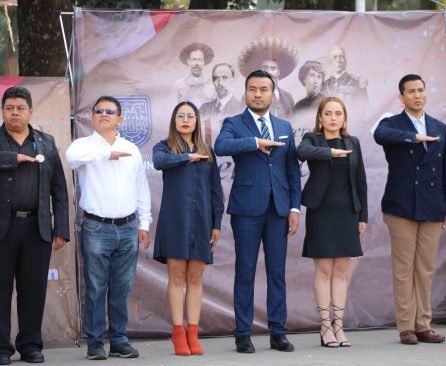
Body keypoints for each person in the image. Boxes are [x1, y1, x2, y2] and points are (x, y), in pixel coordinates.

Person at [214, 70, 301, 353]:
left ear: (273, 93)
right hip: (247, 209)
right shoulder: (234, 123)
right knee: (246, 270)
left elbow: (292, 171)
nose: (258, 94)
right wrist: (254, 142)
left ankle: (278, 332)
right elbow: (220, 146)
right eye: (253, 89)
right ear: (246, 92)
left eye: (264, 89)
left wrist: (294, 208)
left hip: (278, 209)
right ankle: (243, 333)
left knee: (277, 272)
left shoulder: (284, 126)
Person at [65, 96, 152, 360]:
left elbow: (141, 187)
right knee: (95, 288)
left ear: (120, 119)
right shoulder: (84, 146)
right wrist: (106, 153)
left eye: (110, 111)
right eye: (99, 110)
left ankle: (119, 340)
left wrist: (144, 223)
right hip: (96, 227)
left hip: (127, 227)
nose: (104, 114)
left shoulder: (132, 149)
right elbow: (71, 158)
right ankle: (94, 343)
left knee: (122, 288)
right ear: (92, 117)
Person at [373, 74, 446, 345]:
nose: (417, 95)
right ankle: (405, 326)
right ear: (402, 97)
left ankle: (424, 325)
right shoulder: (391, 124)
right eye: (411, 91)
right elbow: (379, 135)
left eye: (421, 90)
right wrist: (414, 137)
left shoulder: (440, 127)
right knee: (403, 268)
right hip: (401, 206)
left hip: (432, 206)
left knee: (426, 268)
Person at [0, 86, 69, 365]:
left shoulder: (46, 142)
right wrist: (11, 159)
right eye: (9, 108)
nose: (15, 113)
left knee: (33, 290)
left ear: (30, 111)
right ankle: (2, 350)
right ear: (3, 111)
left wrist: (61, 228)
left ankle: (30, 345)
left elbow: (59, 189)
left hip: (36, 227)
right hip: (2, 228)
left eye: (20, 108)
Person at [152, 101, 224, 356]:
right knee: (177, 277)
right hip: (175, 221)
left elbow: (216, 190)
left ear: (196, 121)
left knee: (195, 278)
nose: (185, 119)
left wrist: (217, 224)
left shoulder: (209, 151)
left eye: (190, 116)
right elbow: (159, 162)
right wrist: (187, 157)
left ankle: (193, 333)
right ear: (174, 120)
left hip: (203, 221)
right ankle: (178, 333)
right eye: (180, 115)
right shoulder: (164, 147)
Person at [297, 97, 367, 348]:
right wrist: (329, 152)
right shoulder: (312, 140)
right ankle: (325, 327)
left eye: (338, 113)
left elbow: (361, 181)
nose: (333, 117)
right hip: (322, 212)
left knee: (341, 271)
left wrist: (363, 215)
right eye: (328, 113)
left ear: (344, 117)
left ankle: (339, 326)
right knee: (324, 270)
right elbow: (300, 153)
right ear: (320, 117)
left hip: (347, 212)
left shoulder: (353, 142)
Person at [237, 37, 299, 121]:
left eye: (273, 68)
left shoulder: (288, 98)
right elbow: (244, 123)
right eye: (265, 68)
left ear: (278, 72)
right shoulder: (247, 97)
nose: (269, 72)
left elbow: (292, 123)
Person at [199, 63, 241, 145]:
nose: (220, 82)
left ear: (233, 80)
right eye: (216, 78)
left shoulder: (241, 108)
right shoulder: (204, 108)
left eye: (224, 78)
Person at [171, 43, 216, 108]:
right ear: (188, 61)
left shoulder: (211, 84)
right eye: (193, 59)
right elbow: (171, 109)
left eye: (200, 60)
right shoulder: (179, 85)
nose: (197, 63)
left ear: (204, 62)